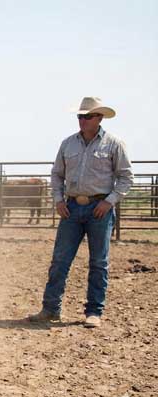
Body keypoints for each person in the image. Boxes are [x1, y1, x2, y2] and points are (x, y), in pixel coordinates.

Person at [28, 97, 133, 328]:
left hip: (99, 208)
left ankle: (94, 312)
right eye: (80, 116)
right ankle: (50, 308)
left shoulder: (114, 144)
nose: (82, 120)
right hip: (72, 207)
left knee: (98, 262)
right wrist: (58, 199)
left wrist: (109, 201)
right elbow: (57, 174)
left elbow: (126, 177)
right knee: (60, 260)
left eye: (87, 116)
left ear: (99, 118)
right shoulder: (68, 144)